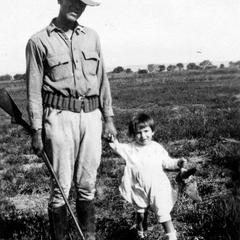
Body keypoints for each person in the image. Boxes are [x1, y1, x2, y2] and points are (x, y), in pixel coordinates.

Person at [25, 0, 116, 239]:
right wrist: (36, 130)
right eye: (73, 0)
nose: (78, 6)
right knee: (61, 189)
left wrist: (108, 118)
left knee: (87, 186)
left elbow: (102, 79)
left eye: (83, 3)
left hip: (92, 117)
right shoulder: (38, 42)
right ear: (60, 0)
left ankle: (89, 236)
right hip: (59, 118)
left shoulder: (92, 37)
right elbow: (33, 90)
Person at [108, 113, 186, 240]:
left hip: (157, 187)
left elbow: (167, 162)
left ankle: (172, 237)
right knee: (141, 213)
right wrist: (112, 139)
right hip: (139, 188)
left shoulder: (156, 148)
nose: (143, 136)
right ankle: (141, 231)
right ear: (133, 134)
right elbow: (118, 147)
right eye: (138, 132)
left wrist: (178, 163)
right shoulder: (130, 149)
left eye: (146, 131)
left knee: (163, 213)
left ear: (153, 131)